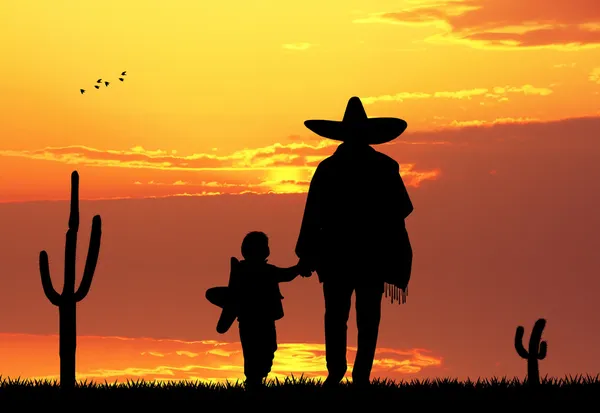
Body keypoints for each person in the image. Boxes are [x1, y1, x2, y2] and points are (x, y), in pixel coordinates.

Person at [295, 96, 414, 388]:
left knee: (339, 315)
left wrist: (308, 252)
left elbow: (314, 213)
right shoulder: (384, 167)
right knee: (364, 317)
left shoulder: (328, 168)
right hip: (369, 253)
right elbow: (400, 211)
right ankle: (357, 375)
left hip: (339, 253)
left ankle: (340, 372)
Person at [206, 231, 308, 389]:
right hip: (252, 321)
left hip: (261, 320)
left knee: (263, 349)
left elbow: (286, 274)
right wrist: (300, 268)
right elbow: (286, 275)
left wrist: (299, 268)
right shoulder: (260, 271)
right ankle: (254, 381)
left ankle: (256, 378)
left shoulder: (264, 270)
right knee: (255, 351)